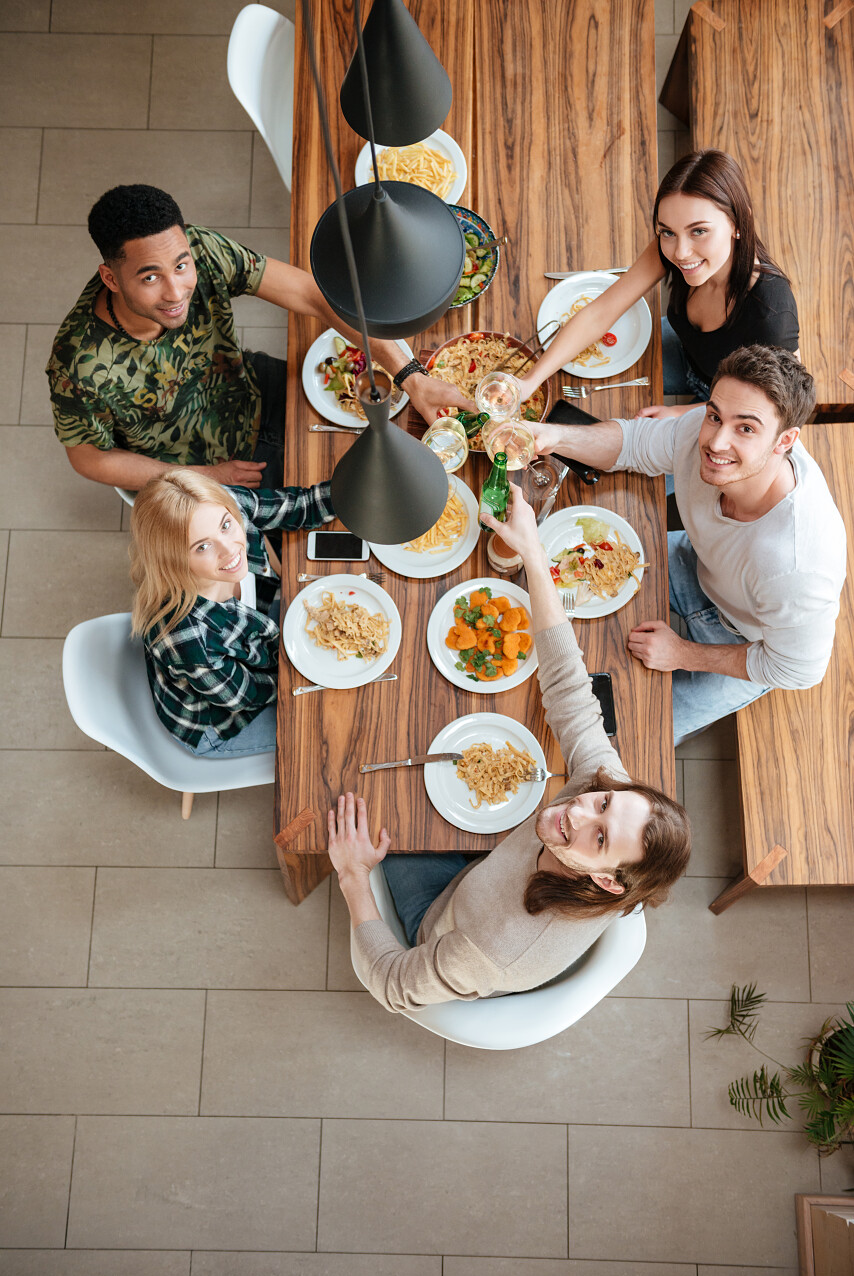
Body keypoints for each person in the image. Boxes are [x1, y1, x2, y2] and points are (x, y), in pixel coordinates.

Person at [328, 485, 691, 1013]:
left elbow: (392, 985)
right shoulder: (603, 791)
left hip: (448, 917)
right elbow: (569, 690)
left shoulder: (492, 949)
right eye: (606, 803)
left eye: (599, 835)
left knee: (370, 775)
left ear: (609, 883)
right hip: (488, 870)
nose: (582, 806)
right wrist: (534, 556)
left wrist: (353, 877)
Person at [48, 184, 470, 492]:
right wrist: (209, 478)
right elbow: (89, 457)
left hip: (253, 390)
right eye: (150, 277)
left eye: (180, 266)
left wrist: (412, 377)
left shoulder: (201, 249)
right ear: (111, 278)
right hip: (199, 469)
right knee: (353, 505)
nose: (176, 292)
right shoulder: (78, 363)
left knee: (396, 447)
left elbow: (312, 295)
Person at [533, 345, 847, 745]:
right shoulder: (705, 427)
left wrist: (682, 653)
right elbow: (633, 444)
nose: (716, 441)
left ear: (786, 440)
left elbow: (797, 671)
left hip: (751, 642)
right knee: (550, 577)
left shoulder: (798, 565)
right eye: (715, 415)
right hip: (699, 566)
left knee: (622, 736)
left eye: (745, 428)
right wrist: (551, 436)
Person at [517, 150, 799, 416]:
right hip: (687, 353)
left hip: (731, 402)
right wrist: (530, 382)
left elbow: (775, 403)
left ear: (739, 223)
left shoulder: (772, 314)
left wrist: (679, 413)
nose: (680, 252)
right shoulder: (675, 248)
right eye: (667, 232)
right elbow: (601, 313)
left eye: (699, 231)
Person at [129, 469, 333, 757]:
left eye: (226, 526)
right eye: (202, 547)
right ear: (172, 560)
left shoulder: (219, 509)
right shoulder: (187, 637)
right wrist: (319, 672)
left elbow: (297, 506)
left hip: (255, 640)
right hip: (220, 723)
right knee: (330, 734)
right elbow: (246, 695)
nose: (231, 550)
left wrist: (353, 489)